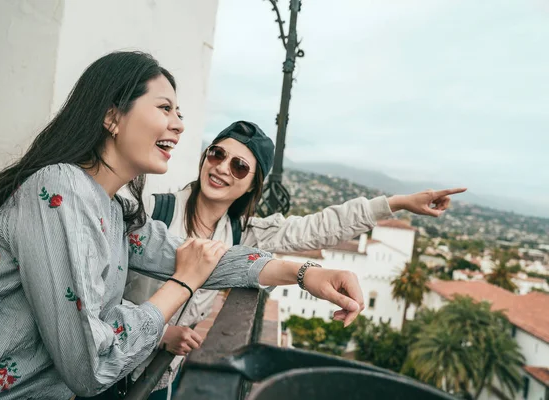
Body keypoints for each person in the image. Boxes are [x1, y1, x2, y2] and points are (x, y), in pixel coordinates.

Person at [0, 52, 367, 400]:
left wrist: (305, 273)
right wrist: (182, 285)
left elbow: (200, 257)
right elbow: (90, 365)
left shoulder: (115, 208)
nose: (180, 125)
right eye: (165, 108)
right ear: (112, 116)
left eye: (179, 113)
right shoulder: (59, 189)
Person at [124, 120, 467, 398]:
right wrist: (162, 333)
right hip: (113, 370)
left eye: (239, 166)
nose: (222, 168)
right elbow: (101, 294)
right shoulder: (153, 212)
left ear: (251, 185)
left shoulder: (245, 234)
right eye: (216, 154)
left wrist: (397, 203)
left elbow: (317, 228)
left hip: (160, 382)